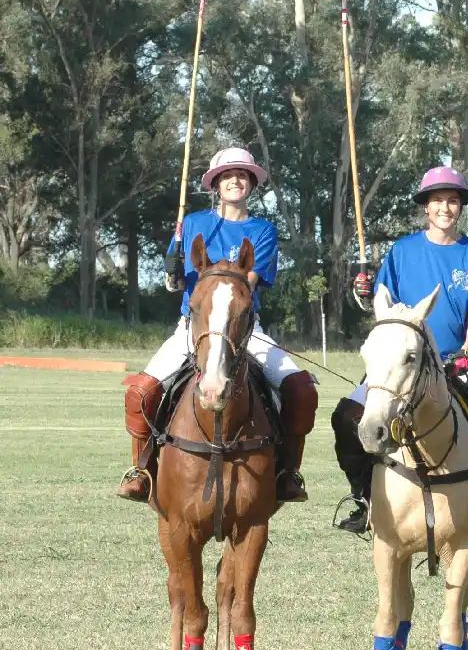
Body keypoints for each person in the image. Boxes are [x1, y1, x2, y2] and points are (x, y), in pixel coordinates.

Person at [331, 166, 468, 535]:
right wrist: (364, 290)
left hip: (458, 358)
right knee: (346, 415)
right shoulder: (402, 251)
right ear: (426, 207)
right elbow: (383, 303)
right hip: (403, 362)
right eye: (438, 200)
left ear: (461, 208)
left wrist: (466, 351)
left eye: (452, 201)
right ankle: (362, 497)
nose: (445, 208)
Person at [118, 146, 318, 504]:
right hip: (193, 330)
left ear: (252, 183)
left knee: (301, 390)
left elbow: (247, 284)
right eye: (228, 175)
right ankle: (143, 470)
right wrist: (172, 271)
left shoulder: (263, 231)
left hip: (243, 330)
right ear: (216, 184)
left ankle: (288, 472)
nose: (235, 180)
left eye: (242, 175)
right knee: (141, 392)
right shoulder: (192, 224)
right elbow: (178, 285)